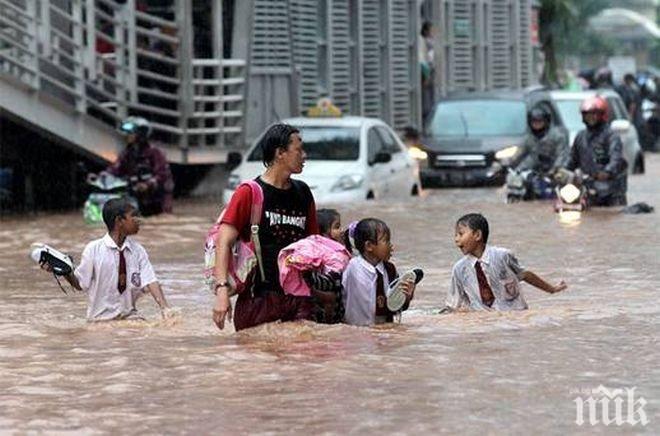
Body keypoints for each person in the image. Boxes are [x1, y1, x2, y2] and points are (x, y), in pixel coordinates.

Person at [212, 123, 319, 331]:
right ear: (280, 153)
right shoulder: (249, 193)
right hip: (258, 301)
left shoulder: (303, 193)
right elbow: (223, 243)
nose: (304, 156)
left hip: (298, 300)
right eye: (299, 150)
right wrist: (222, 292)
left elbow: (314, 245)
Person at [40, 198, 173, 321]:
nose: (138, 220)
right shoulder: (93, 249)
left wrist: (165, 308)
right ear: (119, 221)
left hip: (130, 318)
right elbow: (80, 284)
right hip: (100, 321)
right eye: (133, 216)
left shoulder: (138, 251)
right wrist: (65, 272)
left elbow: (151, 281)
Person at [445, 213, 566, 311]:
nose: (456, 239)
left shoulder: (502, 256)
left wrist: (552, 289)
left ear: (477, 235)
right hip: (483, 321)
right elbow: (453, 305)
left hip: (514, 316)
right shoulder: (459, 269)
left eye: (460, 234)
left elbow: (525, 275)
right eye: (455, 235)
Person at [342, 218, 416, 326]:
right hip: (359, 330)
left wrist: (406, 297)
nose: (390, 246)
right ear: (369, 246)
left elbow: (395, 307)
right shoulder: (354, 267)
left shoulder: (390, 269)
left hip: (384, 329)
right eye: (386, 241)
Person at [563, 96, 628, 206]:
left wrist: (607, 172)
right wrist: (561, 170)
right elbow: (572, 159)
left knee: (611, 215)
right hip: (586, 187)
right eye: (587, 115)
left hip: (610, 191)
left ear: (602, 115)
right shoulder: (580, 136)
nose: (590, 118)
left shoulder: (611, 136)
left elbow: (615, 158)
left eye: (594, 114)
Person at [107, 116, 174, 216]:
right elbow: (115, 169)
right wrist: (103, 176)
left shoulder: (155, 153)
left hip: (157, 201)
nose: (127, 136)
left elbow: (162, 174)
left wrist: (148, 184)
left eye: (131, 133)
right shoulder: (127, 153)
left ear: (141, 134)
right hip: (135, 197)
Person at [513, 107, 568, 199]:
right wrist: (506, 164)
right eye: (534, 122)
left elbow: (562, 155)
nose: (536, 124)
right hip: (535, 172)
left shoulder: (557, 136)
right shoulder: (529, 138)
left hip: (554, 172)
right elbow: (519, 154)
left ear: (546, 122)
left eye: (539, 121)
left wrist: (555, 169)